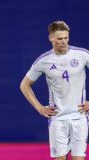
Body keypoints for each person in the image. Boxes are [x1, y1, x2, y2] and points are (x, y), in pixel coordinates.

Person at [20, 21, 89, 160]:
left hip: (80, 117)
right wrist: (39, 108)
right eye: (59, 39)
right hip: (58, 118)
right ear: (51, 38)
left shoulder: (82, 55)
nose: (64, 42)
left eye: (66, 38)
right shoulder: (44, 61)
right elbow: (24, 85)